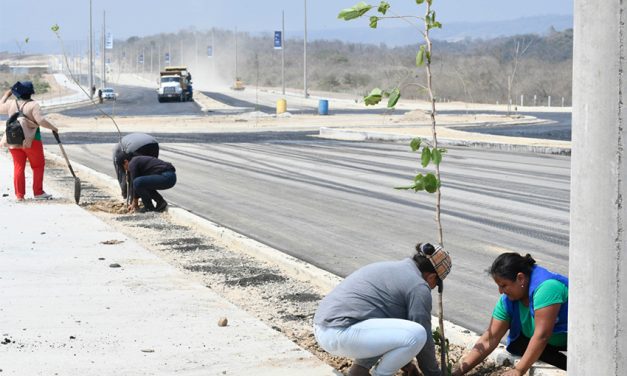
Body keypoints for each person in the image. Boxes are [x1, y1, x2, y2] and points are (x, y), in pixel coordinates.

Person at [313, 243, 452, 376]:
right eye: (436, 284)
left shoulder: (396, 269)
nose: (432, 288)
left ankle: (359, 371)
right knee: (418, 334)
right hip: (340, 331)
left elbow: (388, 329)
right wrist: (434, 374)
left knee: (398, 329)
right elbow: (424, 339)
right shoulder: (419, 287)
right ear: (432, 276)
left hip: (324, 328)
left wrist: (406, 364)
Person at [452, 253, 568, 376]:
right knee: (519, 343)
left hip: (579, 339)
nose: (500, 291)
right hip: (550, 343)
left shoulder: (546, 288)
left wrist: (519, 370)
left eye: (504, 285)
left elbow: (542, 335)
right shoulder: (507, 301)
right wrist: (458, 372)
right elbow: (490, 338)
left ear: (520, 278)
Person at [0, 81, 58, 201]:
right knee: (38, 166)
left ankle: (19, 195)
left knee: (18, 166)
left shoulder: (11, 104)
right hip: (32, 141)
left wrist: (6, 94)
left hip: (14, 141)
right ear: (30, 93)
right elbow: (40, 120)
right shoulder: (33, 105)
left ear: (17, 93)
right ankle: (38, 192)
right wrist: (54, 128)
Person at [112, 133, 159, 199]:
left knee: (133, 173)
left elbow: (121, 175)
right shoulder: (122, 145)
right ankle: (150, 198)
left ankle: (131, 198)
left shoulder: (117, 155)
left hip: (136, 147)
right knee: (147, 170)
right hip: (154, 143)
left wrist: (124, 191)